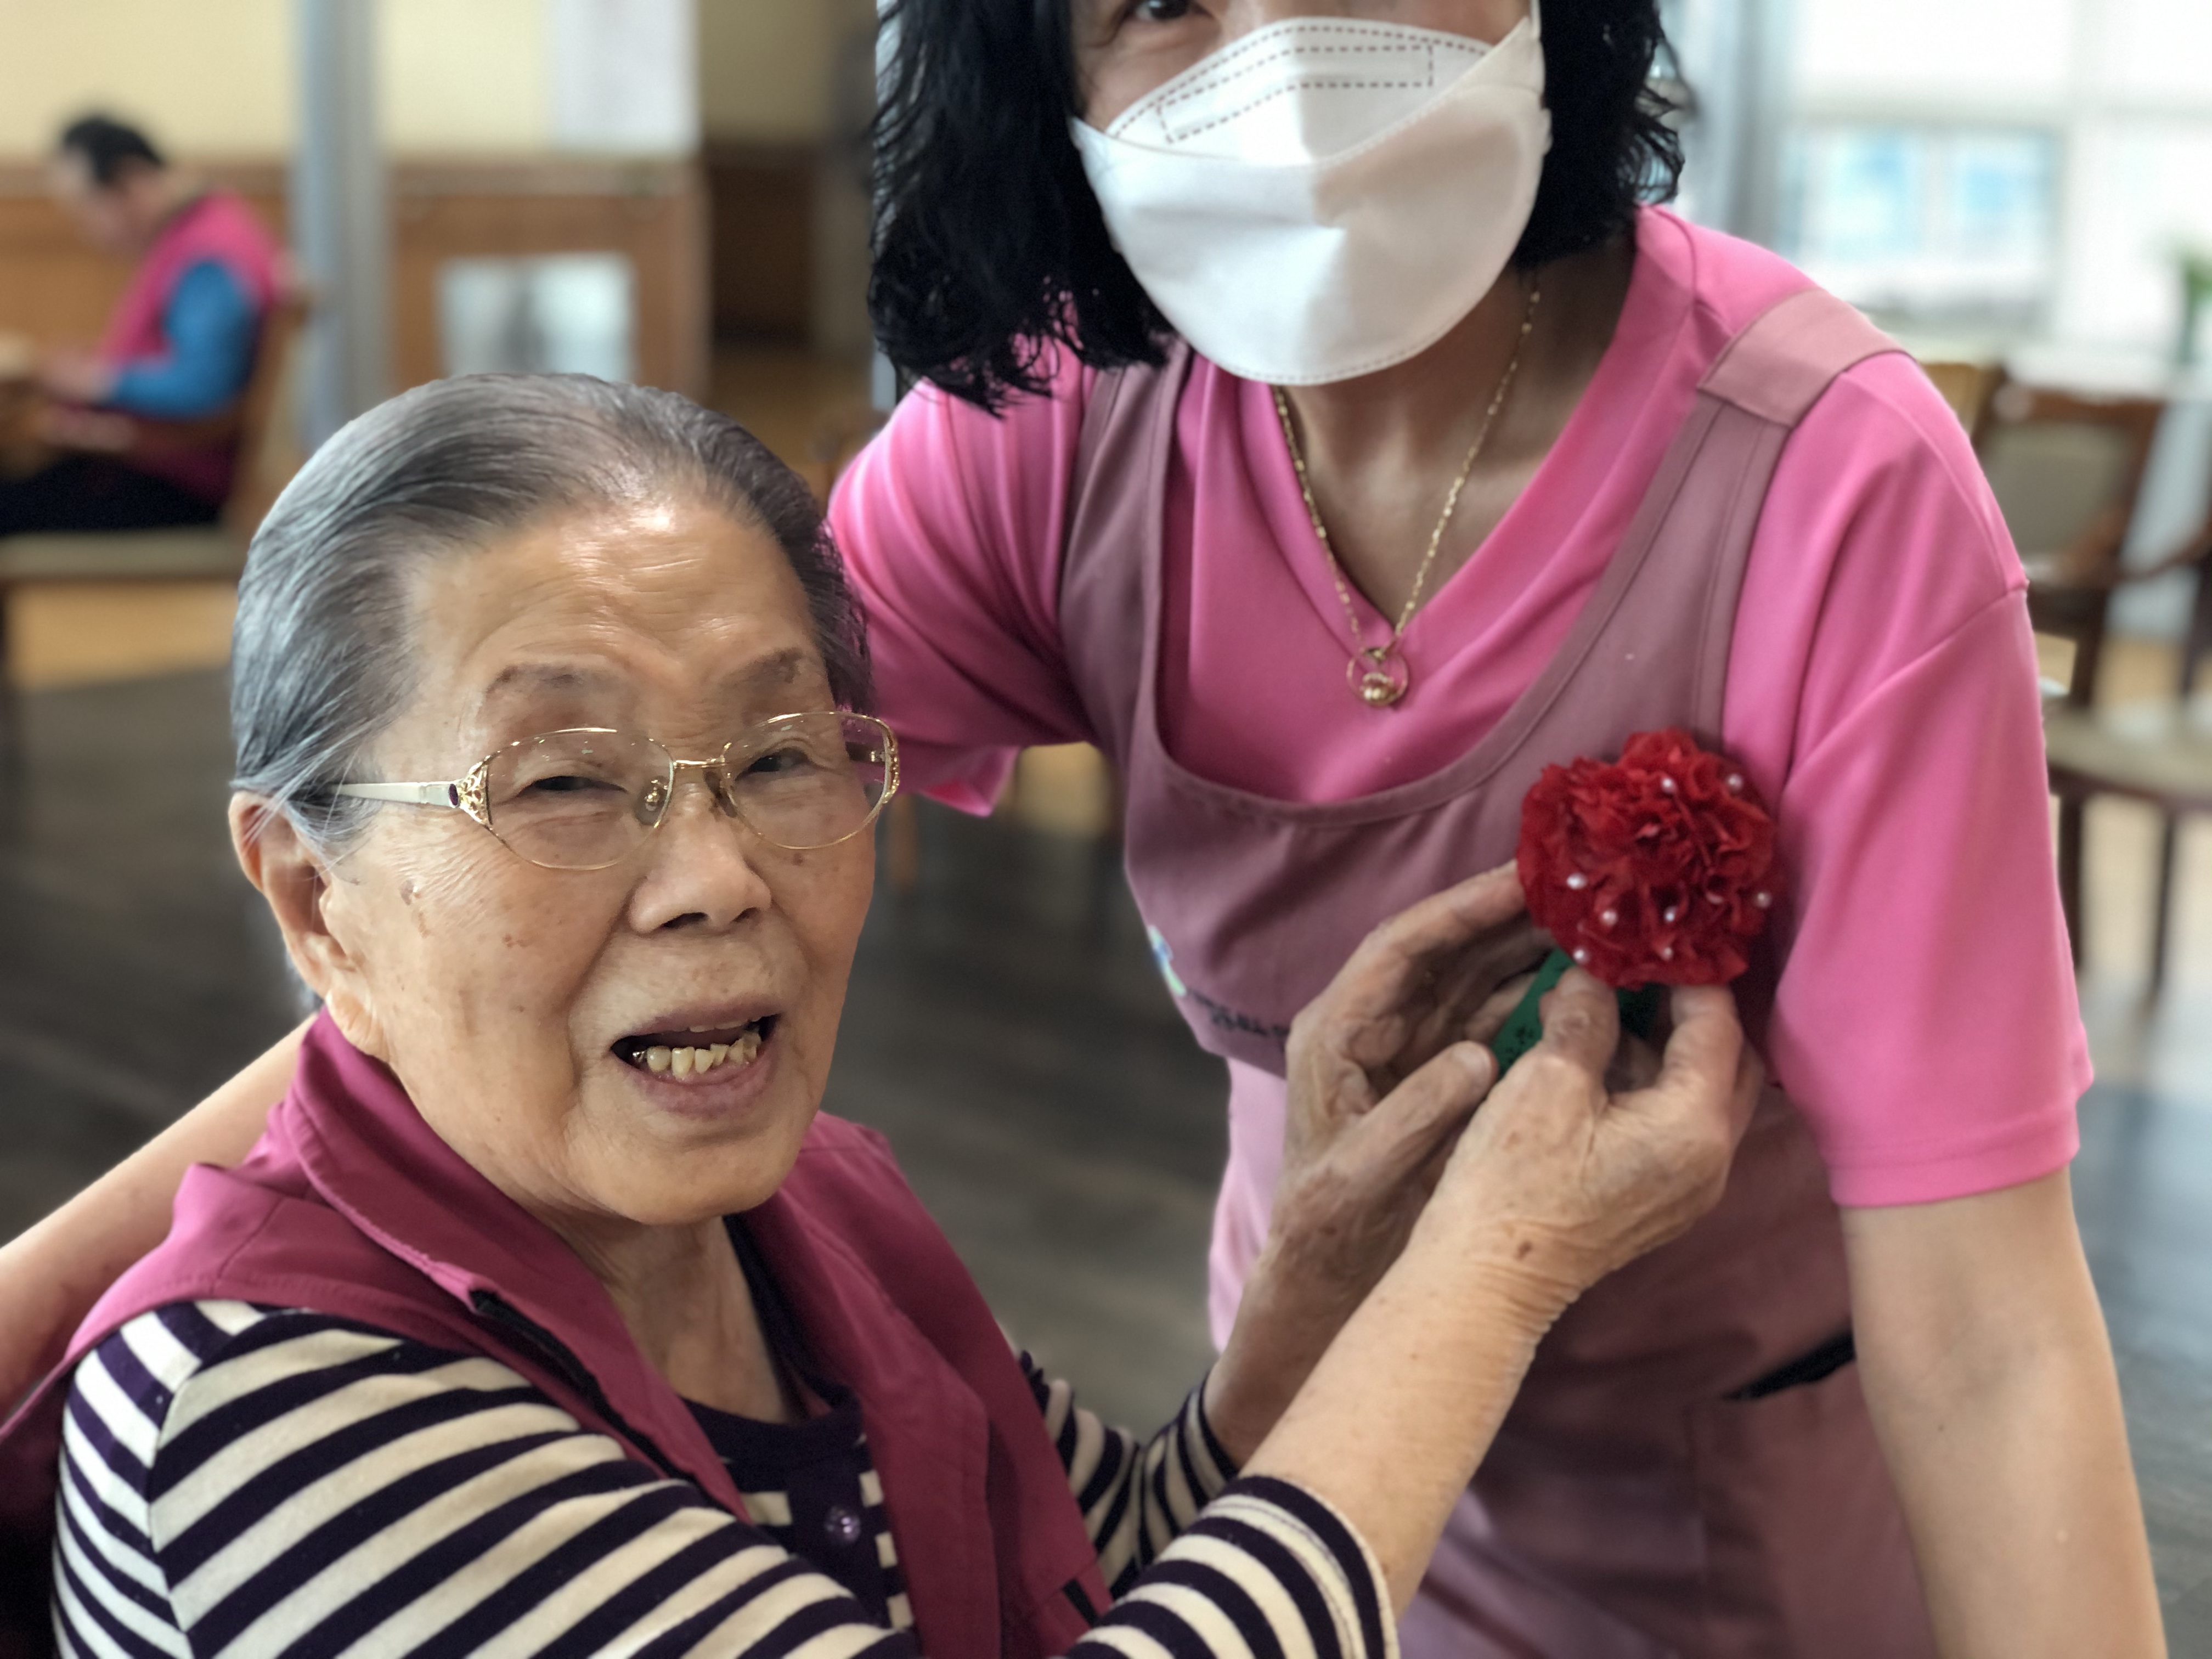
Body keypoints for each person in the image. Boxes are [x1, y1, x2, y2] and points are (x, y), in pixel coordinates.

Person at [0, 1, 2167, 1653]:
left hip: (1711, 1502)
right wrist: (55, 1303)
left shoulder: (1823, 484)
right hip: (1300, 1480)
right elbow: (535, 903)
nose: (1283, 67)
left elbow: (1986, 1331)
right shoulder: (1054, 432)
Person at [0, 375, 1760, 1657]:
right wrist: (1490, 1271)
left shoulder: (806, 1219)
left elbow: (1106, 1569)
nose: (715, 878)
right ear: (315, 900)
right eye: (563, 783)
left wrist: (1327, 1263)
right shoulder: (266, 1413)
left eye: (781, 759)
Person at [0, 114, 283, 536]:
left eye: (88, 208)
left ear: (132, 184)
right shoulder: (203, 229)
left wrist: (100, 381)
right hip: (156, 467)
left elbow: (205, 385)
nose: (87, 230)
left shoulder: (209, 256)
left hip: (177, 487)